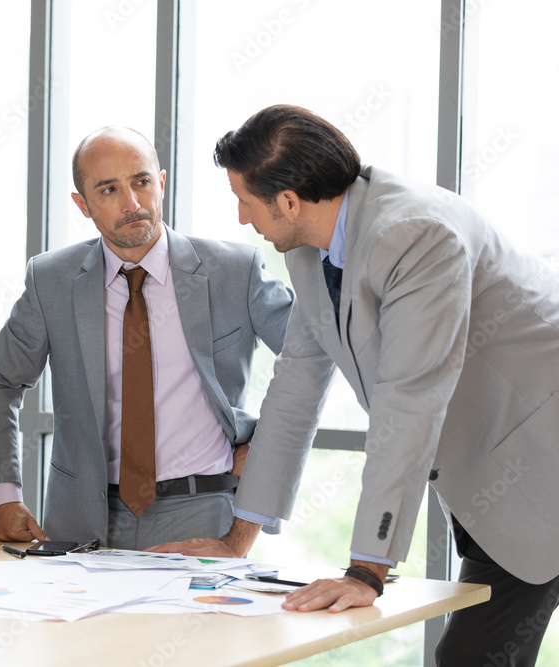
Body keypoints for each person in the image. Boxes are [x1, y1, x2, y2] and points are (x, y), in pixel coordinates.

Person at [152, 104, 559, 666]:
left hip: (540, 461)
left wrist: (367, 570)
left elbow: (409, 402)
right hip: (508, 477)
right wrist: (235, 541)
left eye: (244, 201)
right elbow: (294, 387)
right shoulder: (311, 247)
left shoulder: (416, 236)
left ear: (288, 201)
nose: (242, 218)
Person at [0, 126, 294, 550]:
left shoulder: (236, 270)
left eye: (141, 182)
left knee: (192, 619)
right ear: (82, 205)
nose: (132, 203)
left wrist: (265, 443)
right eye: (108, 190)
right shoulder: (51, 280)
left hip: (203, 510)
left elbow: (313, 357)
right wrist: (2, 499)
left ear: (160, 183)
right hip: (80, 522)